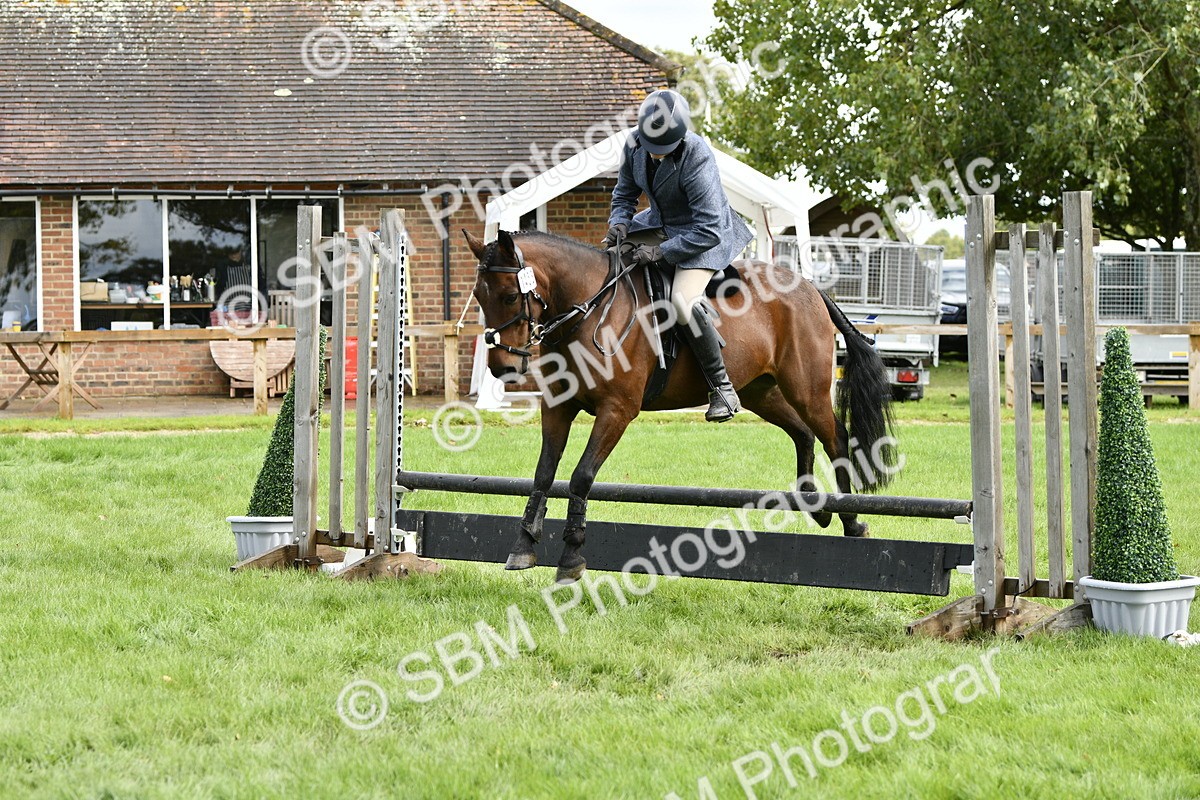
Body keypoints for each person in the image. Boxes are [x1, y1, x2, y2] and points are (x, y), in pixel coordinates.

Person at [602, 89, 752, 422]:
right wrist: (619, 224)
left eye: (663, 151)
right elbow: (624, 194)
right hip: (659, 224)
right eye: (651, 149)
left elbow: (710, 227)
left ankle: (722, 389)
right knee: (608, 257)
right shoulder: (634, 144)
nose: (655, 156)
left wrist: (660, 252)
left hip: (704, 236)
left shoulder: (697, 154)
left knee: (682, 300)